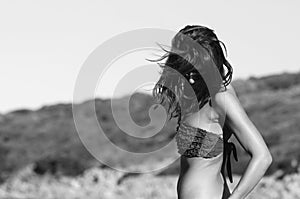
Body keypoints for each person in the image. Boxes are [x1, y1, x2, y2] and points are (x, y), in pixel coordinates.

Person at [152, 25, 272, 199]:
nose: (190, 76)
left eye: (193, 69)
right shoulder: (196, 98)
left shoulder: (221, 98)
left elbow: (263, 157)